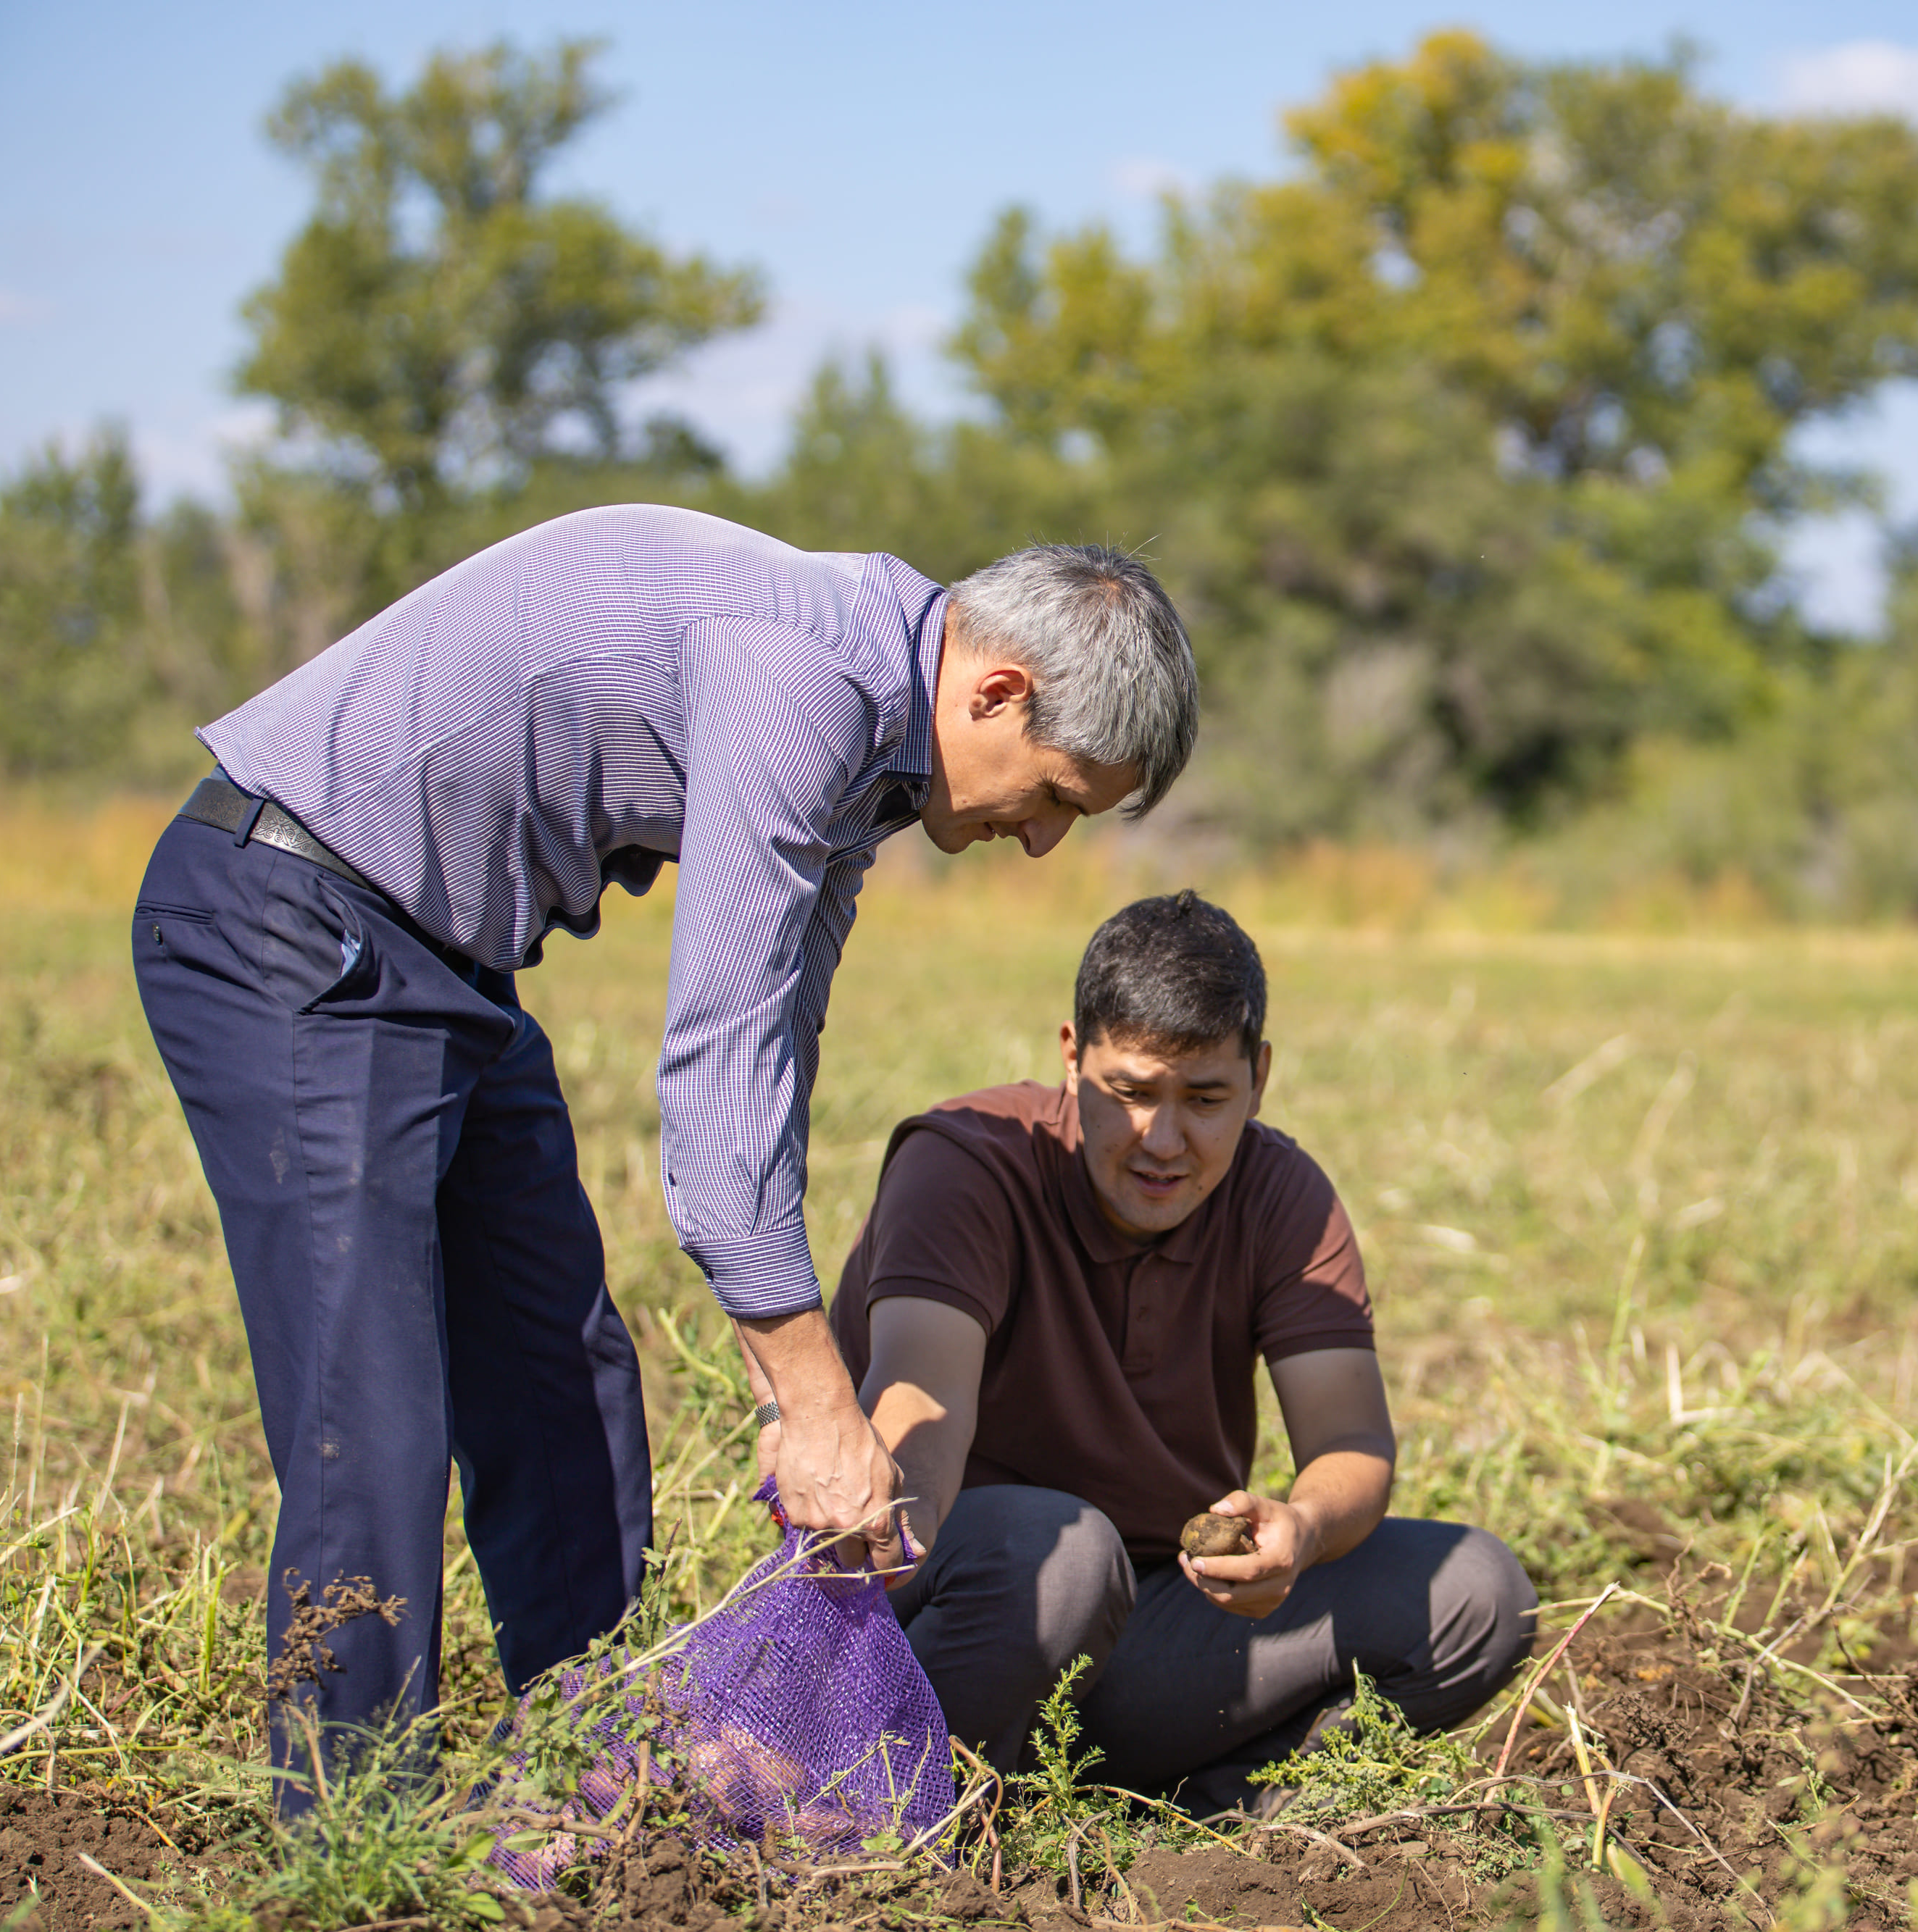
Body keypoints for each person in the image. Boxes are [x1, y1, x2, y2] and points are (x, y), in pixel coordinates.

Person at [130, 506, 1196, 1803]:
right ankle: (345, 1831)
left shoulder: (874, 741)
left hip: (447, 969)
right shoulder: (811, 679)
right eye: (1057, 798)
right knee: (374, 1403)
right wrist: (815, 1405)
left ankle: (584, 1784)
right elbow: (714, 1069)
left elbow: (778, 1053)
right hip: (293, 922)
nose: (1042, 841)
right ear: (998, 691)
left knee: (562, 1373)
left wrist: (785, 1379)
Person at [827, 891, 1537, 1810]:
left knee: (1480, 1594)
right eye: (1128, 1093)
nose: (1162, 1142)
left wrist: (1303, 1530)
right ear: (1072, 1057)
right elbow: (919, 1417)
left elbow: (1351, 1443)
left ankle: (1216, 1810)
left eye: (1205, 1099)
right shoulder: (968, 1163)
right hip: (960, 1612)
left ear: (1261, 1078)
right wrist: (833, 1628)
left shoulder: (1283, 1198)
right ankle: (872, 1799)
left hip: (1151, 1627)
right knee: (1065, 1551)